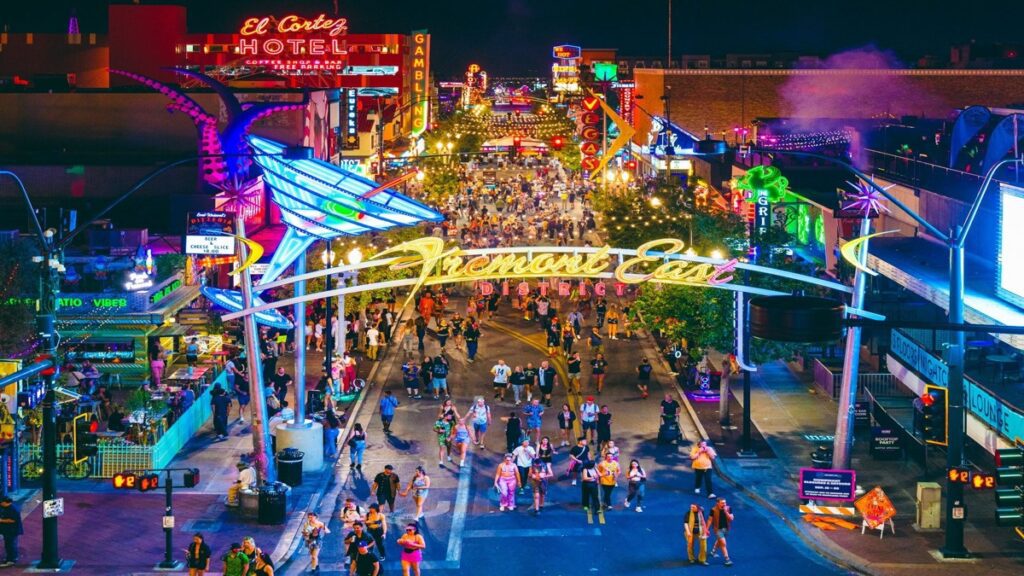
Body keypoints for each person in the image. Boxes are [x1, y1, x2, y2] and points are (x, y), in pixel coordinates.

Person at [710, 497, 734, 566]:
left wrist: (726, 512)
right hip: (717, 529)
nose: (724, 504)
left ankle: (713, 551)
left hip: (726, 529)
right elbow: (710, 520)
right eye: (722, 503)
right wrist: (706, 529)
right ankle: (727, 559)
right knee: (723, 543)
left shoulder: (729, 508)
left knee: (719, 540)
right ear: (718, 503)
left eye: (725, 503)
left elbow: (731, 518)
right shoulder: (713, 510)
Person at [0, 497, 22, 567]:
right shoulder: (8, 507)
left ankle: (11, 560)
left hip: (12, 530)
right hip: (8, 530)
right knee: (9, 544)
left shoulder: (13, 509)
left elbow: (12, 520)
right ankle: (10, 558)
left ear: (6, 502)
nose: (1, 504)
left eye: (1, 502)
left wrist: (1, 520)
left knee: (11, 545)